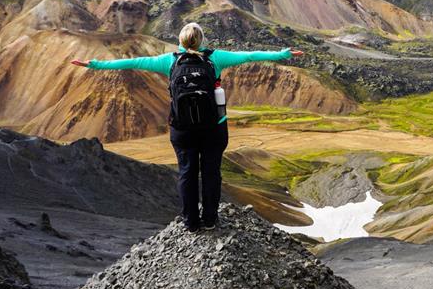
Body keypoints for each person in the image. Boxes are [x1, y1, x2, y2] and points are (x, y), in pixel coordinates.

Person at [71, 22, 304, 232]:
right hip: (214, 127)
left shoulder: (169, 61)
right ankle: (210, 220)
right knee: (211, 172)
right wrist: (283, 53)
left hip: (182, 129)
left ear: (180, 42)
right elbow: (249, 56)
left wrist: (94, 65)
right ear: (201, 40)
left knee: (187, 172)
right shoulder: (215, 58)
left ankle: (191, 222)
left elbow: (132, 62)